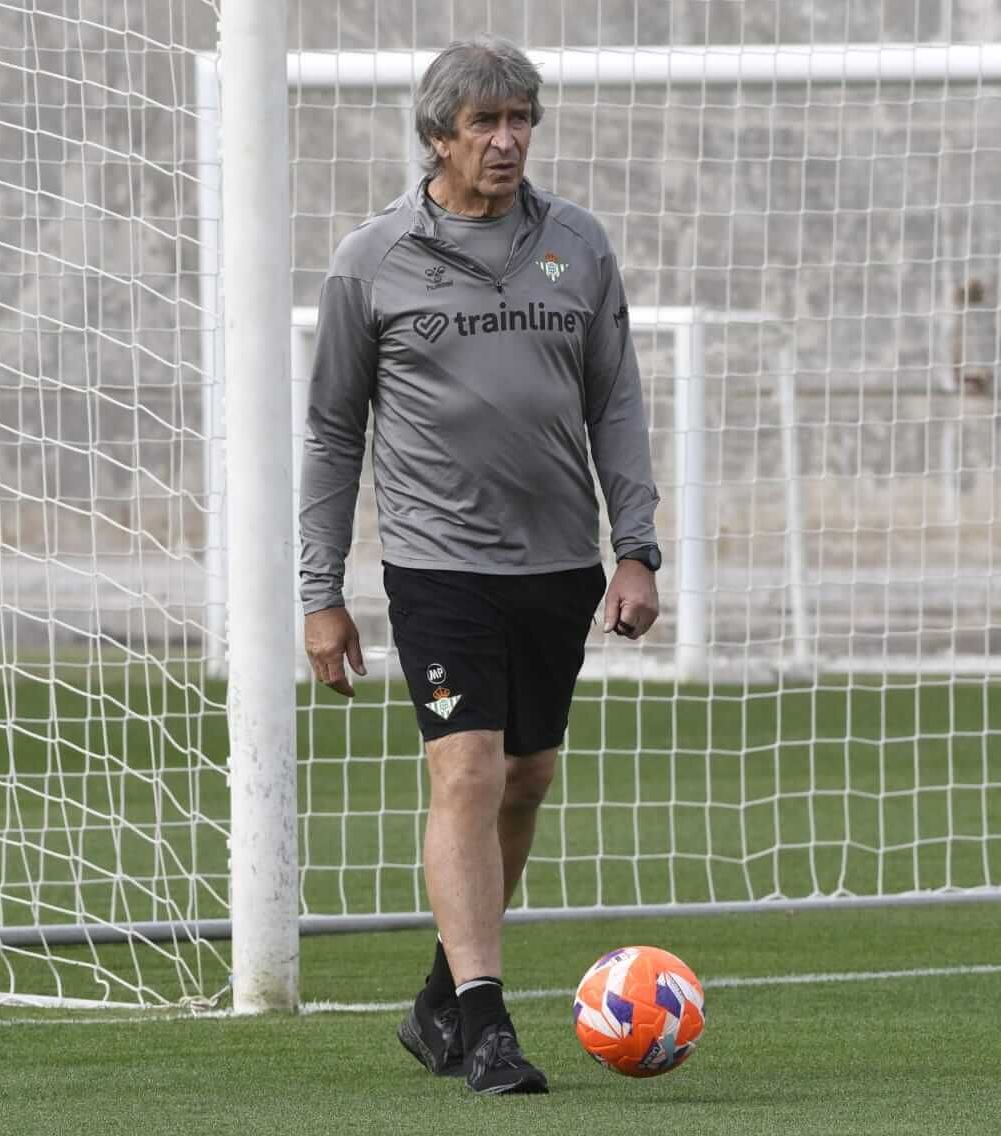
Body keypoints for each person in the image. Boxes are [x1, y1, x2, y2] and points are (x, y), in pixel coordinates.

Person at [299, 35, 662, 1095]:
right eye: (485, 123)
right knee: (466, 769)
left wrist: (635, 548)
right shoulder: (373, 259)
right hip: (437, 564)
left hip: (557, 563)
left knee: (525, 778)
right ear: (437, 136)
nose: (507, 140)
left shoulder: (578, 245)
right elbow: (332, 433)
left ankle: (438, 998)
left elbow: (616, 403)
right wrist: (321, 590)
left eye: (520, 120)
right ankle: (488, 1025)